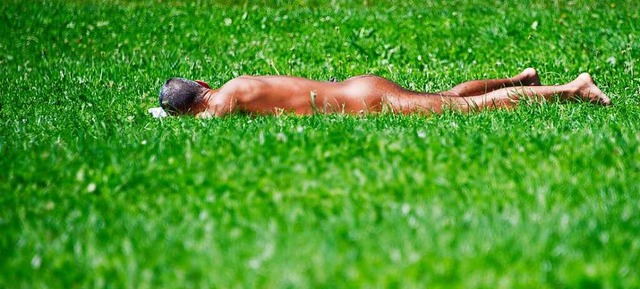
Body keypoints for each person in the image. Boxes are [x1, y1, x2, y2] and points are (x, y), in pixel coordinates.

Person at [153, 68, 611, 118]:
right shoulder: (230, 85)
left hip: (368, 102)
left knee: (466, 108)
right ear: (202, 85)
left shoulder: (224, 102)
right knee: (448, 97)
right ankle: (519, 80)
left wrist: (165, 121)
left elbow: (208, 124)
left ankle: (573, 90)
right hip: (359, 90)